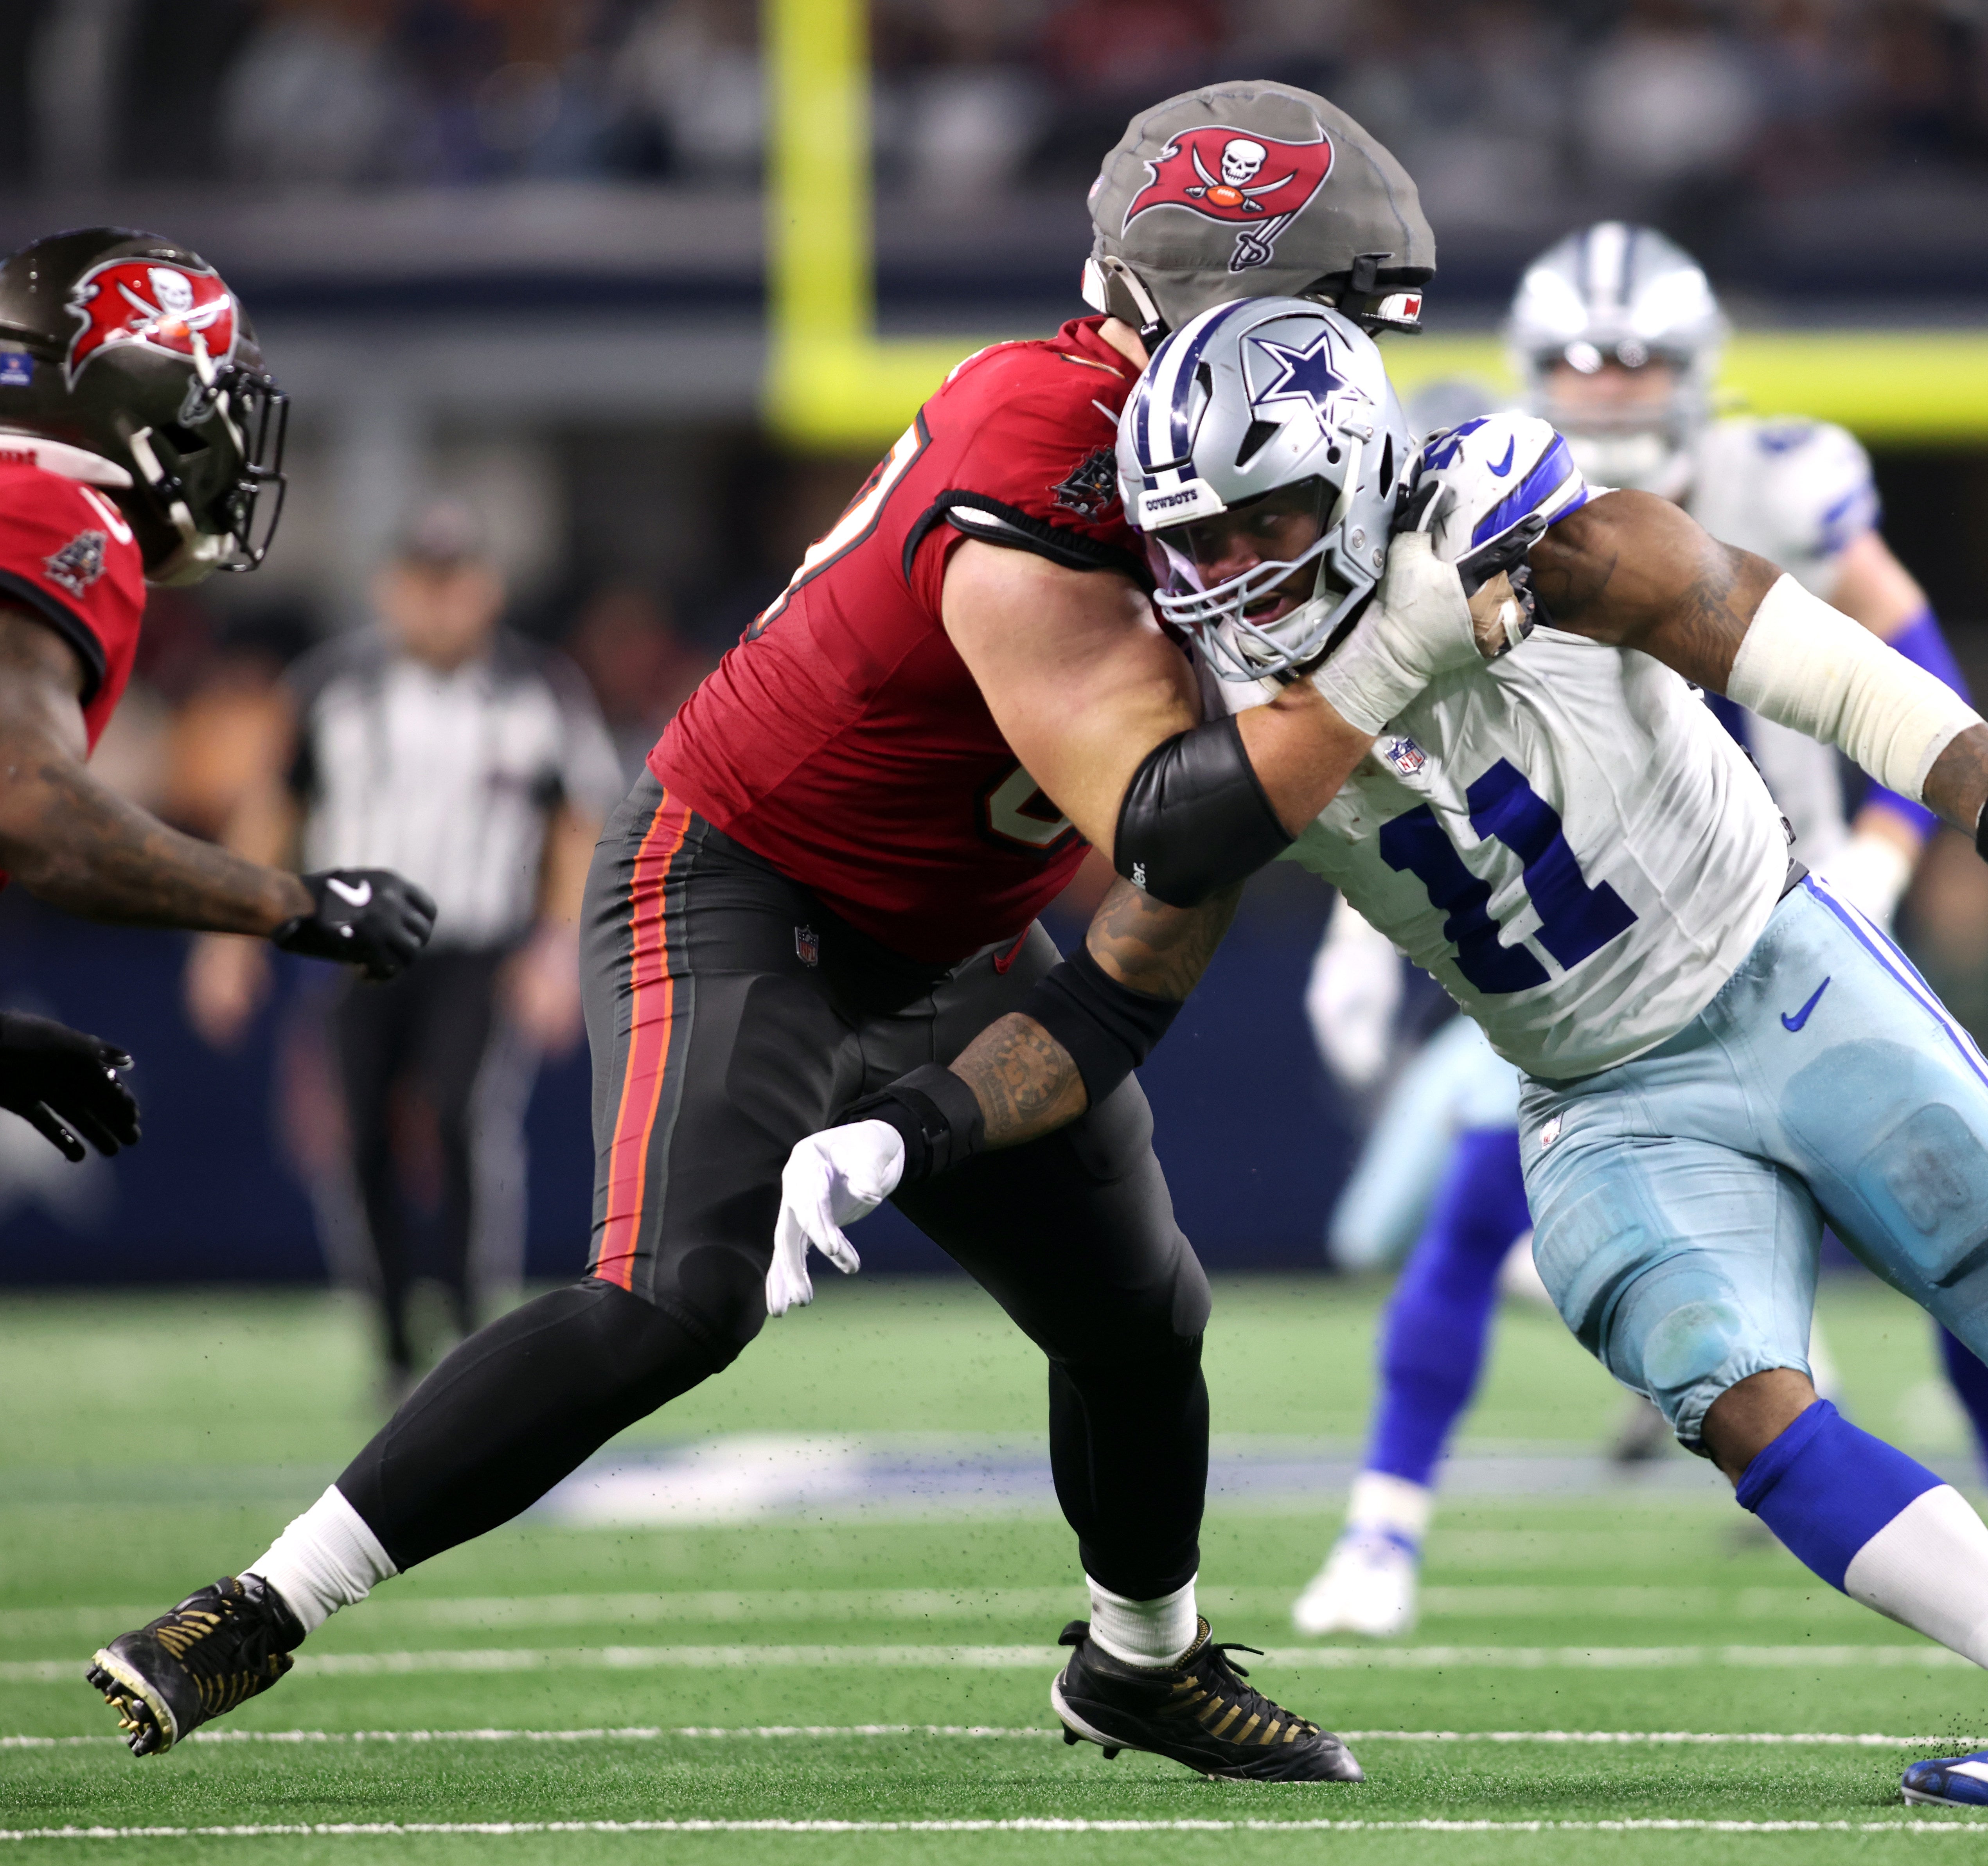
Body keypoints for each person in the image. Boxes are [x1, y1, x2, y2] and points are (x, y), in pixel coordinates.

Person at [774, 297, 1988, 1808]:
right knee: (1731, 1391)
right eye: (1192, 535)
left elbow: (1799, 652)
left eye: (1262, 519)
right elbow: (1118, 989)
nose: (1227, 568)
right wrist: (901, 1133)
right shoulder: (1217, 718)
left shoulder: (1533, 537)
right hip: (1592, 1093)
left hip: (1777, 975)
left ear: (1349, 476)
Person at [88, 84, 1448, 1783]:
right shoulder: (1052, 450)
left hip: (958, 926)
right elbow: (1163, 823)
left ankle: (1141, 1664)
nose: (1340, 367)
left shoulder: (1193, 436)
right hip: (749, 881)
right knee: (678, 1298)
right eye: (1316, 318)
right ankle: (262, 1605)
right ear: (1205, 304)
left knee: (1138, 1311)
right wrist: (1407, 642)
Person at [1291, 227, 1988, 1648]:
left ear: (1695, 371)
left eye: (1635, 359)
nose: (1606, 387)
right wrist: (1352, 941)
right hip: (1588, 947)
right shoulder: (1455, 499)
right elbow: (1391, 755)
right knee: (1457, 1208)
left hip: (1783, 913)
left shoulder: (1780, 481)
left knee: (1951, 1220)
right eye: (1575, 358)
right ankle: (1383, 1530)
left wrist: (1880, 861)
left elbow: (1905, 659)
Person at [0, 227, 436, 1160]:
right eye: (219, 401)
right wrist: (289, 902)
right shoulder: (49, 508)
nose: (231, 439)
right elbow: (28, 807)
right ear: (149, 397)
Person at [185, 501, 626, 1395]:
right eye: (422, 584)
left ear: (487, 589)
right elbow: (276, 809)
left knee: (463, 1120)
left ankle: (468, 1326)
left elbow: (576, 828)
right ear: (390, 590)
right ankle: (391, 1339)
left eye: (454, 582)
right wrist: (230, 937)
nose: (438, 603)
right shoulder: (334, 686)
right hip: (358, 949)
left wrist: (554, 950)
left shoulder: (536, 690)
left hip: (476, 942)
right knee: (358, 1142)